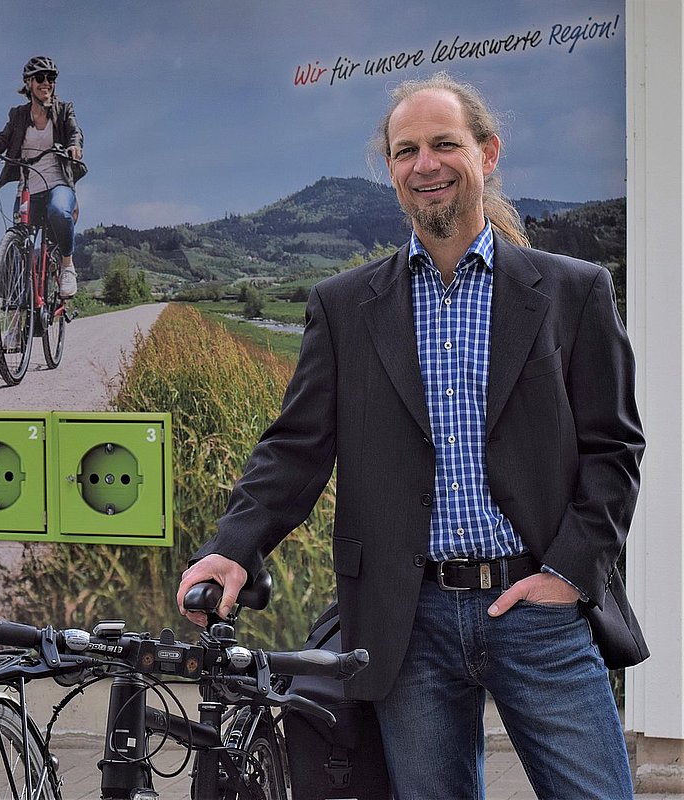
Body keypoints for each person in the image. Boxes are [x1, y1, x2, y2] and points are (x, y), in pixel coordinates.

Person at [176, 72, 646, 799]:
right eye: (406, 150)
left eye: (443, 144)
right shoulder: (344, 306)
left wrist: (564, 574)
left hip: (536, 613)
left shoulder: (571, 291)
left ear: (487, 154)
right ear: (391, 172)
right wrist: (232, 548)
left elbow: (613, 450)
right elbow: (295, 447)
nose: (425, 164)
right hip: (406, 619)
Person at [0, 55, 85, 298]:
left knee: (58, 211)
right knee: (18, 245)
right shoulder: (18, 115)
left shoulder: (64, 110)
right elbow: (3, 138)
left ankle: (67, 265)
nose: (47, 83)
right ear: (28, 83)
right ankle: (18, 310)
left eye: (51, 78)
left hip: (58, 184)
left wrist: (74, 146)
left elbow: (75, 132)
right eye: (40, 78)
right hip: (27, 188)